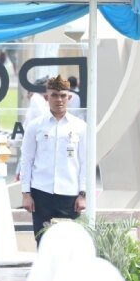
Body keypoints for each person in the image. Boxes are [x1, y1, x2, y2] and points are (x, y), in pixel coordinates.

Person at [19, 75, 88, 241]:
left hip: (69, 193)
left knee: (68, 242)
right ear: (46, 97)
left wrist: (83, 193)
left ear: (69, 98)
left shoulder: (80, 127)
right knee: (42, 240)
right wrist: (26, 193)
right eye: (54, 95)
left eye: (63, 95)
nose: (59, 100)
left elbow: (85, 161)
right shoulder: (35, 126)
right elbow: (27, 160)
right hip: (41, 192)